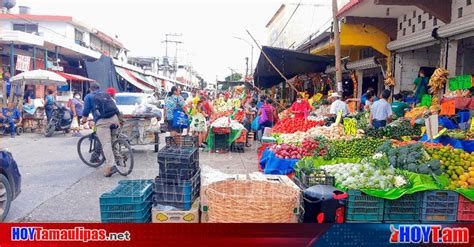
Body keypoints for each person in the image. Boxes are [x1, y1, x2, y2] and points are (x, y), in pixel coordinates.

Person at [81, 83, 121, 177]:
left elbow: (86, 111)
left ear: (90, 89)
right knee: (114, 140)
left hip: (103, 122)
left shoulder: (89, 97)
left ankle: (111, 166)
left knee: (106, 144)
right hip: (115, 118)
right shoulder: (105, 94)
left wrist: (83, 121)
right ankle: (119, 158)